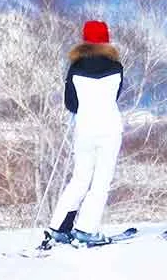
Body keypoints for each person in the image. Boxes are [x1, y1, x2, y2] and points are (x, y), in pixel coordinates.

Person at [40, 20, 124, 248]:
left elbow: (71, 103)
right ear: (106, 40)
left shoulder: (75, 69)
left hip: (84, 130)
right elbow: (115, 96)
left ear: (85, 40)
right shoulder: (116, 67)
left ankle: (58, 227)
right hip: (109, 129)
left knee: (79, 179)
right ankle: (86, 229)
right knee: (101, 181)